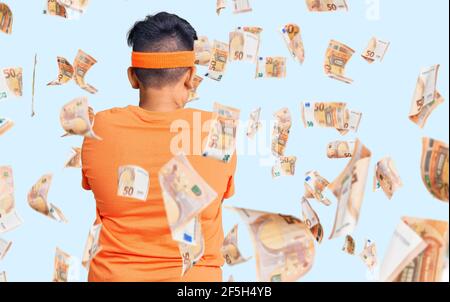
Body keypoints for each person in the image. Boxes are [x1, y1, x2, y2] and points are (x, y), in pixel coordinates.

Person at [81, 12, 237, 282]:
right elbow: (218, 196)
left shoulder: (99, 128)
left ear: (132, 77)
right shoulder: (219, 131)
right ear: (190, 76)